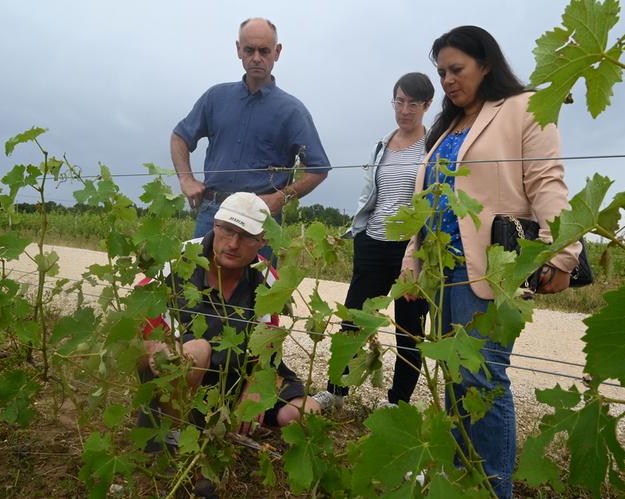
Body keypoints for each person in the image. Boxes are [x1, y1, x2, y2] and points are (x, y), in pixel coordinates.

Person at [400, 26, 581, 499]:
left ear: (486, 64)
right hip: (440, 272)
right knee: (456, 380)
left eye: (456, 70)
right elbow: (427, 204)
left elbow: (546, 181)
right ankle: (463, 482)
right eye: (441, 72)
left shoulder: (523, 108)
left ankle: (493, 488)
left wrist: (562, 253)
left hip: (490, 270)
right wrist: (411, 263)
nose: (447, 81)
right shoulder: (446, 127)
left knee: (484, 379)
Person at [137, 192, 320, 447]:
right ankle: (170, 437)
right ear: (215, 224)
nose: (233, 243)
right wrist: (157, 350)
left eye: (246, 236)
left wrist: (256, 386)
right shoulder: (174, 262)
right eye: (227, 230)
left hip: (234, 378)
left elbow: (267, 345)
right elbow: (131, 341)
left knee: (305, 413)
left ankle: (224, 427)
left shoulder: (266, 276)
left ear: (262, 241)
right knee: (197, 350)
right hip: (183, 378)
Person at [313, 73, 433, 411]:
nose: (405, 110)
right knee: (353, 320)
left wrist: (419, 252)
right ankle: (336, 392)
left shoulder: (432, 146)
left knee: (408, 329)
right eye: (399, 101)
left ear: (427, 106)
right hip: (373, 241)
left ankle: (397, 403)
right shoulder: (383, 143)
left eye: (413, 103)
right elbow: (371, 194)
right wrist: (360, 233)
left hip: (411, 249)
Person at [171, 18, 331, 245]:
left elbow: (319, 168)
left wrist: (279, 198)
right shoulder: (215, 98)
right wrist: (186, 179)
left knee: (256, 281)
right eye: (249, 50)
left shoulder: (292, 111)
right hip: (213, 213)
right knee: (198, 278)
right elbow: (180, 137)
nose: (256, 58)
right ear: (238, 50)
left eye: (264, 51)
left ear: (277, 52)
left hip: (260, 217)